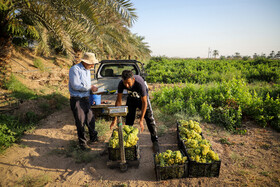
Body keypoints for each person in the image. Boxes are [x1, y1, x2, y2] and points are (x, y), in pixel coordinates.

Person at [110, 70, 159, 153]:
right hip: (131, 99)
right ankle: (128, 143)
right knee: (129, 120)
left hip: (142, 100)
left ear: (133, 80)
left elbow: (144, 103)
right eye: (125, 83)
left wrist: (141, 119)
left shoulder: (140, 84)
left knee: (149, 118)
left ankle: (155, 141)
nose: (127, 85)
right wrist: (114, 119)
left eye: (128, 83)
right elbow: (118, 101)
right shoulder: (121, 84)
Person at [69, 52, 99, 150]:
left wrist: (92, 95)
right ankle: (83, 144)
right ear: (85, 62)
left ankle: (94, 138)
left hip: (86, 99)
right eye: (91, 63)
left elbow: (86, 87)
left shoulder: (87, 70)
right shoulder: (75, 69)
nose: (93, 65)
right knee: (80, 122)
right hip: (77, 100)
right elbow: (76, 86)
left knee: (91, 119)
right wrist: (90, 87)